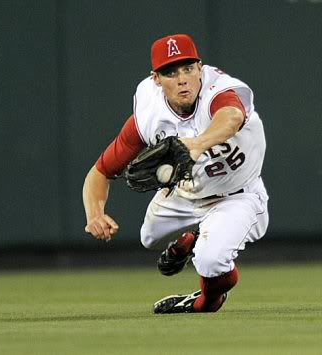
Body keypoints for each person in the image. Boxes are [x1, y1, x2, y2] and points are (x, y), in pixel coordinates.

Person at [82, 34, 269, 314]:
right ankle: (194, 237)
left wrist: (196, 144)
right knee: (149, 238)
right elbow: (100, 172)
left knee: (210, 261)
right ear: (156, 79)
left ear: (200, 68)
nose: (182, 79)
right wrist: (94, 213)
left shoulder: (220, 90)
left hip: (237, 195)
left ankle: (206, 301)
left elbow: (230, 118)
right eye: (170, 72)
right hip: (185, 194)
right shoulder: (149, 115)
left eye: (188, 68)